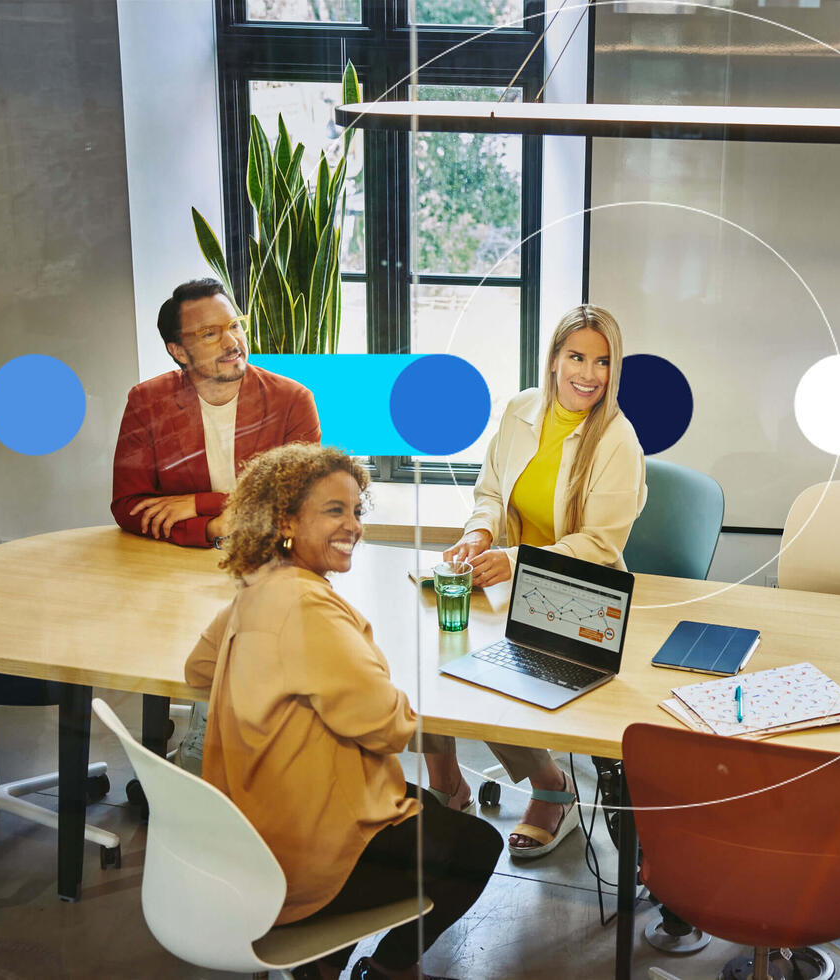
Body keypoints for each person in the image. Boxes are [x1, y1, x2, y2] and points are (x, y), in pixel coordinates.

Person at [184, 444, 502, 980]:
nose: (353, 525)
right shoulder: (308, 606)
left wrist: (292, 700)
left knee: (423, 804)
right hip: (308, 861)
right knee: (476, 847)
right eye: (334, 510)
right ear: (285, 520)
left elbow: (199, 669)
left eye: (357, 510)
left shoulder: (256, 586)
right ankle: (390, 969)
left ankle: (322, 965)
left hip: (255, 832)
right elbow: (389, 725)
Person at [425, 304, 647, 859]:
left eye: (602, 361)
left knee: (491, 672)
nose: (589, 374)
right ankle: (446, 783)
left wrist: (516, 558)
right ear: (553, 360)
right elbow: (492, 494)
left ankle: (553, 789)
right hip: (512, 584)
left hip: (582, 596)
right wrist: (479, 536)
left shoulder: (618, 439)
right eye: (577, 357)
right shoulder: (523, 408)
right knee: (438, 659)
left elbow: (601, 545)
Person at [111, 278, 320, 548]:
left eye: (234, 325)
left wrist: (198, 503)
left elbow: (302, 499)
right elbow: (129, 507)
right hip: (175, 566)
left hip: (271, 560)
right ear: (179, 351)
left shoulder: (293, 400)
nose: (232, 341)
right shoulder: (146, 402)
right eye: (210, 333)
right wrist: (211, 527)